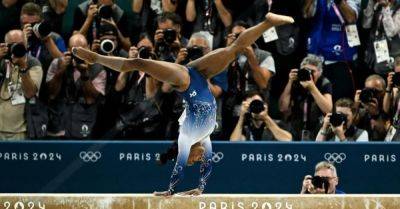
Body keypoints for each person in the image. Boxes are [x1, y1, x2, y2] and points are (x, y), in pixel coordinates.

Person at [72, 12, 294, 195]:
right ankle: (267, 22)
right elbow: (207, 167)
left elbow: (178, 167)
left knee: (138, 62)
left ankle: (95, 58)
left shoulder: (187, 137)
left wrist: (169, 191)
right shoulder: (203, 139)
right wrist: (199, 189)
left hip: (186, 81)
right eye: (195, 160)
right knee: (233, 50)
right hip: (196, 76)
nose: (197, 159)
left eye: (192, 160)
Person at [46, 34, 106, 139]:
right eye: (75, 50)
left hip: (83, 126)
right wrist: (61, 71)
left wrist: (84, 74)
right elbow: (51, 94)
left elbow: (90, 99)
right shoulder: (57, 63)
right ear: (68, 49)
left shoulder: (98, 68)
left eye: (83, 50)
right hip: (58, 125)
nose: (79, 54)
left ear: (89, 47)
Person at [0, 30, 43, 139]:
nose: (16, 48)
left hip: (21, 131)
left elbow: (30, 93)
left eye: (19, 45)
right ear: (5, 46)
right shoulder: (2, 62)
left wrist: (23, 68)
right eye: (12, 45)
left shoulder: (33, 63)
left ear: (26, 45)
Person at [279, 54, 333, 140]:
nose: (309, 74)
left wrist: (312, 88)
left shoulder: (324, 83)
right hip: (295, 127)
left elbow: (328, 110)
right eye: (306, 71)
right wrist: (290, 82)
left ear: (320, 72)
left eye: (313, 71)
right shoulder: (295, 81)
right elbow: (283, 108)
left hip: (317, 128)